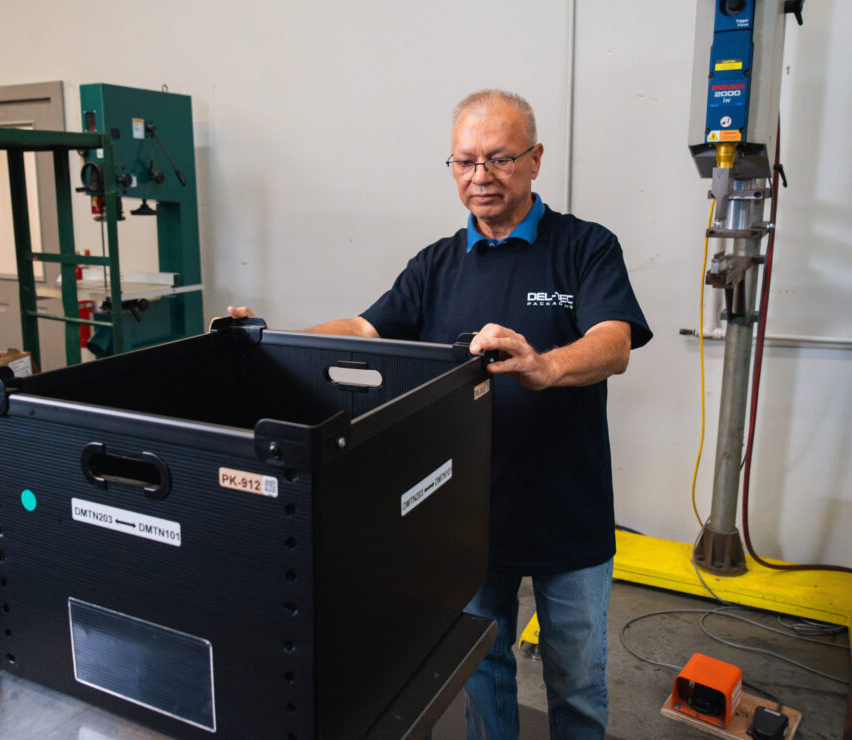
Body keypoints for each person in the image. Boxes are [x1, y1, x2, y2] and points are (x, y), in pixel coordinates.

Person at [229, 89, 651, 739]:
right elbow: (364, 329)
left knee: (577, 682)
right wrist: (270, 342)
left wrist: (544, 366)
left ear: (536, 160)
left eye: (499, 158)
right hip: (465, 520)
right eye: (464, 161)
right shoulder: (436, 264)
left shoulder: (586, 247)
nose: (480, 176)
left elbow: (613, 342)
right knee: (481, 672)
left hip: (570, 514)